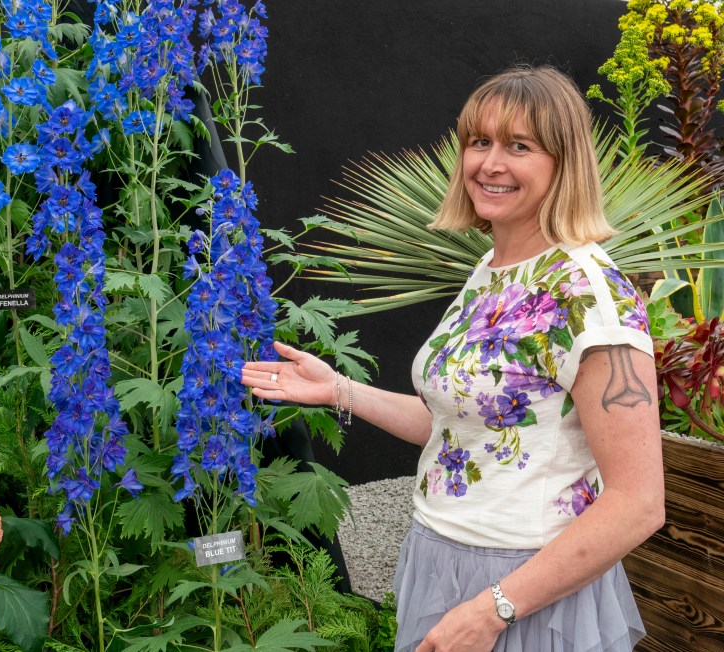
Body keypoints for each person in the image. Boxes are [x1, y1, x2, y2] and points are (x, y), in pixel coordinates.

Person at [241, 65, 664, 652]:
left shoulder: (590, 295)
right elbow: (460, 428)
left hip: (528, 586)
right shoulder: (490, 272)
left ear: (564, 163)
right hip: (439, 557)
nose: (490, 163)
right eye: (479, 142)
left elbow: (638, 504)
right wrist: (339, 389)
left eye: (519, 145)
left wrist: (495, 610)